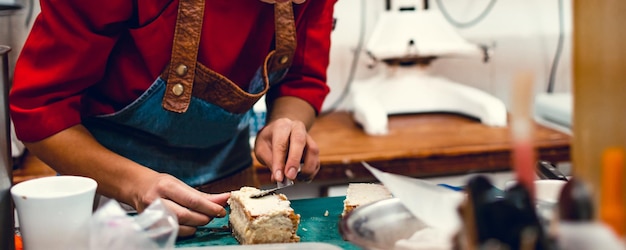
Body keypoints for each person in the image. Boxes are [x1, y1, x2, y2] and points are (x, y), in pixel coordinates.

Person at [9, 0, 336, 237]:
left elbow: (301, 80)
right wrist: (136, 186)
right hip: (111, 197)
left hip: (229, 176)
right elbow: (41, 113)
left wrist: (286, 120)